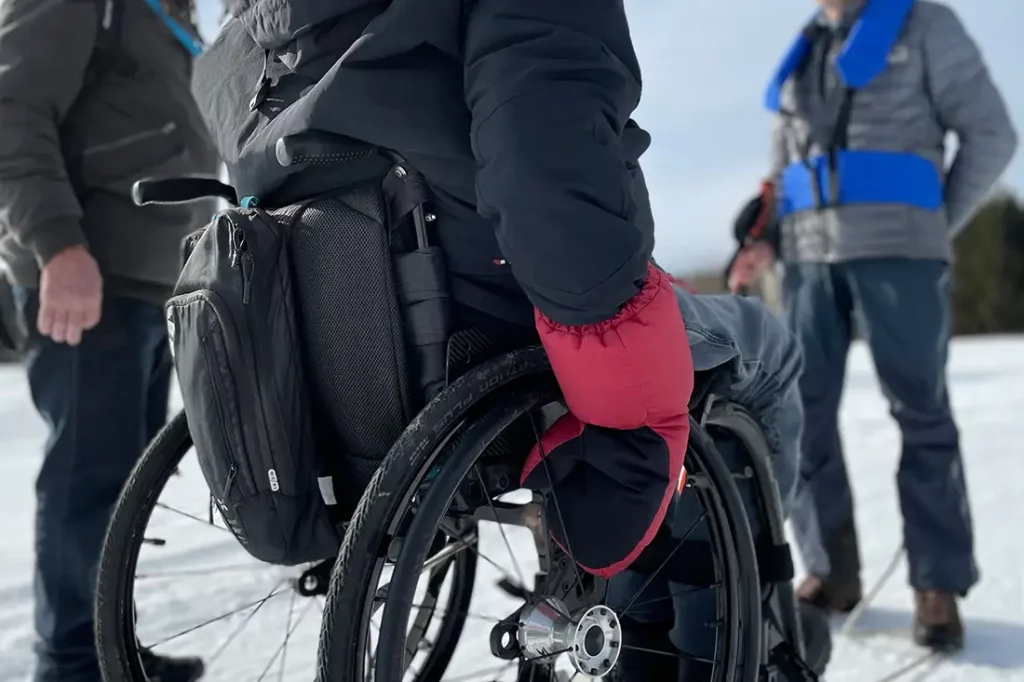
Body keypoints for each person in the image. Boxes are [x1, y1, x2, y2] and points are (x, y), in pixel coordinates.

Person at [192, 1, 814, 680]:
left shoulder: (251, 38)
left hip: (364, 341)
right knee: (763, 347)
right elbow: (547, 151)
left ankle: (668, 602)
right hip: (507, 311)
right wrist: (626, 398)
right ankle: (752, 634)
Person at [728, 0, 1018, 652]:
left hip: (901, 255)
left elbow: (993, 133)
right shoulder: (805, 49)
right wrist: (764, 241)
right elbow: (782, 175)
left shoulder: (925, 25)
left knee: (922, 411)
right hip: (807, 258)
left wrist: (933, 224)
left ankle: (937, 585)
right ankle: (832, 572)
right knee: (799, 415)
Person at [0, 0, 219, 680]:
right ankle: (72, 663)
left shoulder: (166, 13)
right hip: (88, 273)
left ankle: (107, 646)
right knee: (86, 479)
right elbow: (10, 112)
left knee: (123, 485)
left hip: (151, 280)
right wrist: (57, 246)